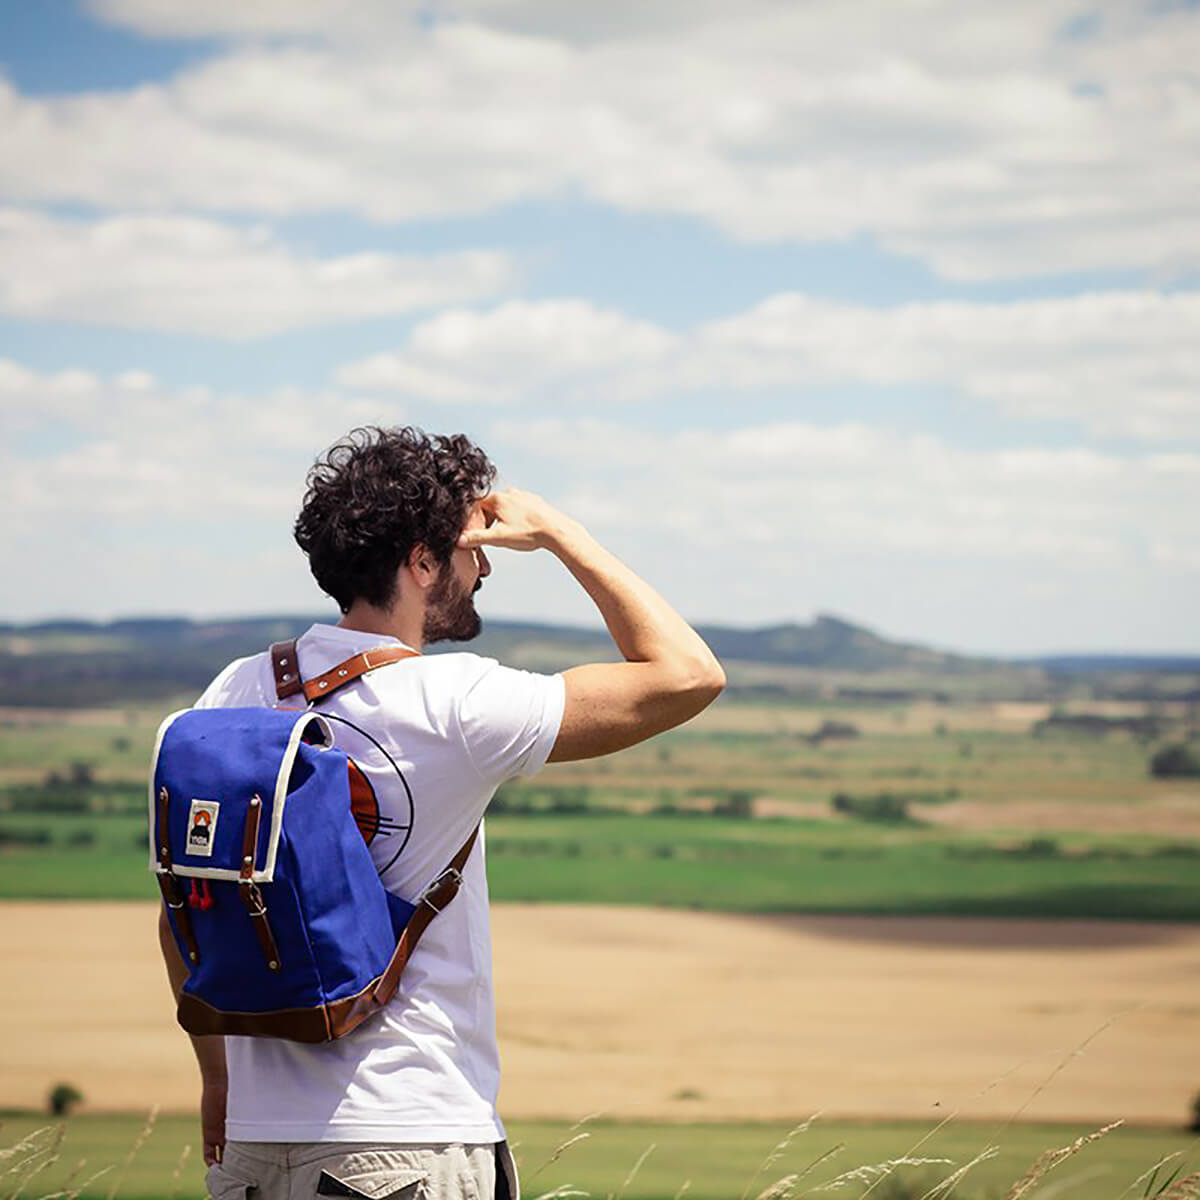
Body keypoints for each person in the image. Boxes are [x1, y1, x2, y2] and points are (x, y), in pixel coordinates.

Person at [159, 425, 725, 1200]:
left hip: (253, 1150)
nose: (483, 564)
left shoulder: (230, 692)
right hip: (406, 1136)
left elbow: (183, 911)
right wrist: (564, 534)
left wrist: (219, 1082)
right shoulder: (456, 702)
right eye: (468, 548)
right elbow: (688, 674)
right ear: (422, 563)